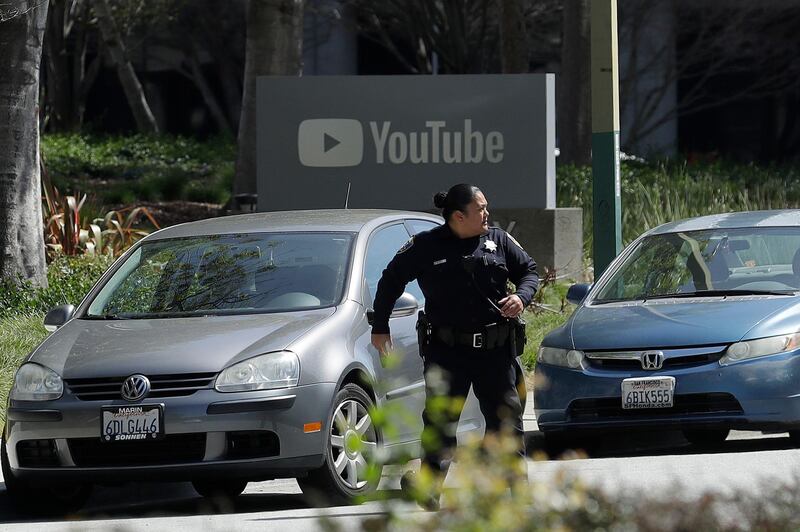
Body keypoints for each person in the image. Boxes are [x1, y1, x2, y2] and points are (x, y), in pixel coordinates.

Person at [370, 183, 538, 509]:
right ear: (459, 216)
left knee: (506, 424)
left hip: (495, 349)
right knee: (440, 424)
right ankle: (429, 490)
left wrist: (521, 296)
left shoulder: (499, 241)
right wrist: (380, 326)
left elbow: (528, 271)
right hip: (447, 351)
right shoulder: (425, 246)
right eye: (481, 210)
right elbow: (391, 279)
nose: (487, 214)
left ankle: (518, 495)